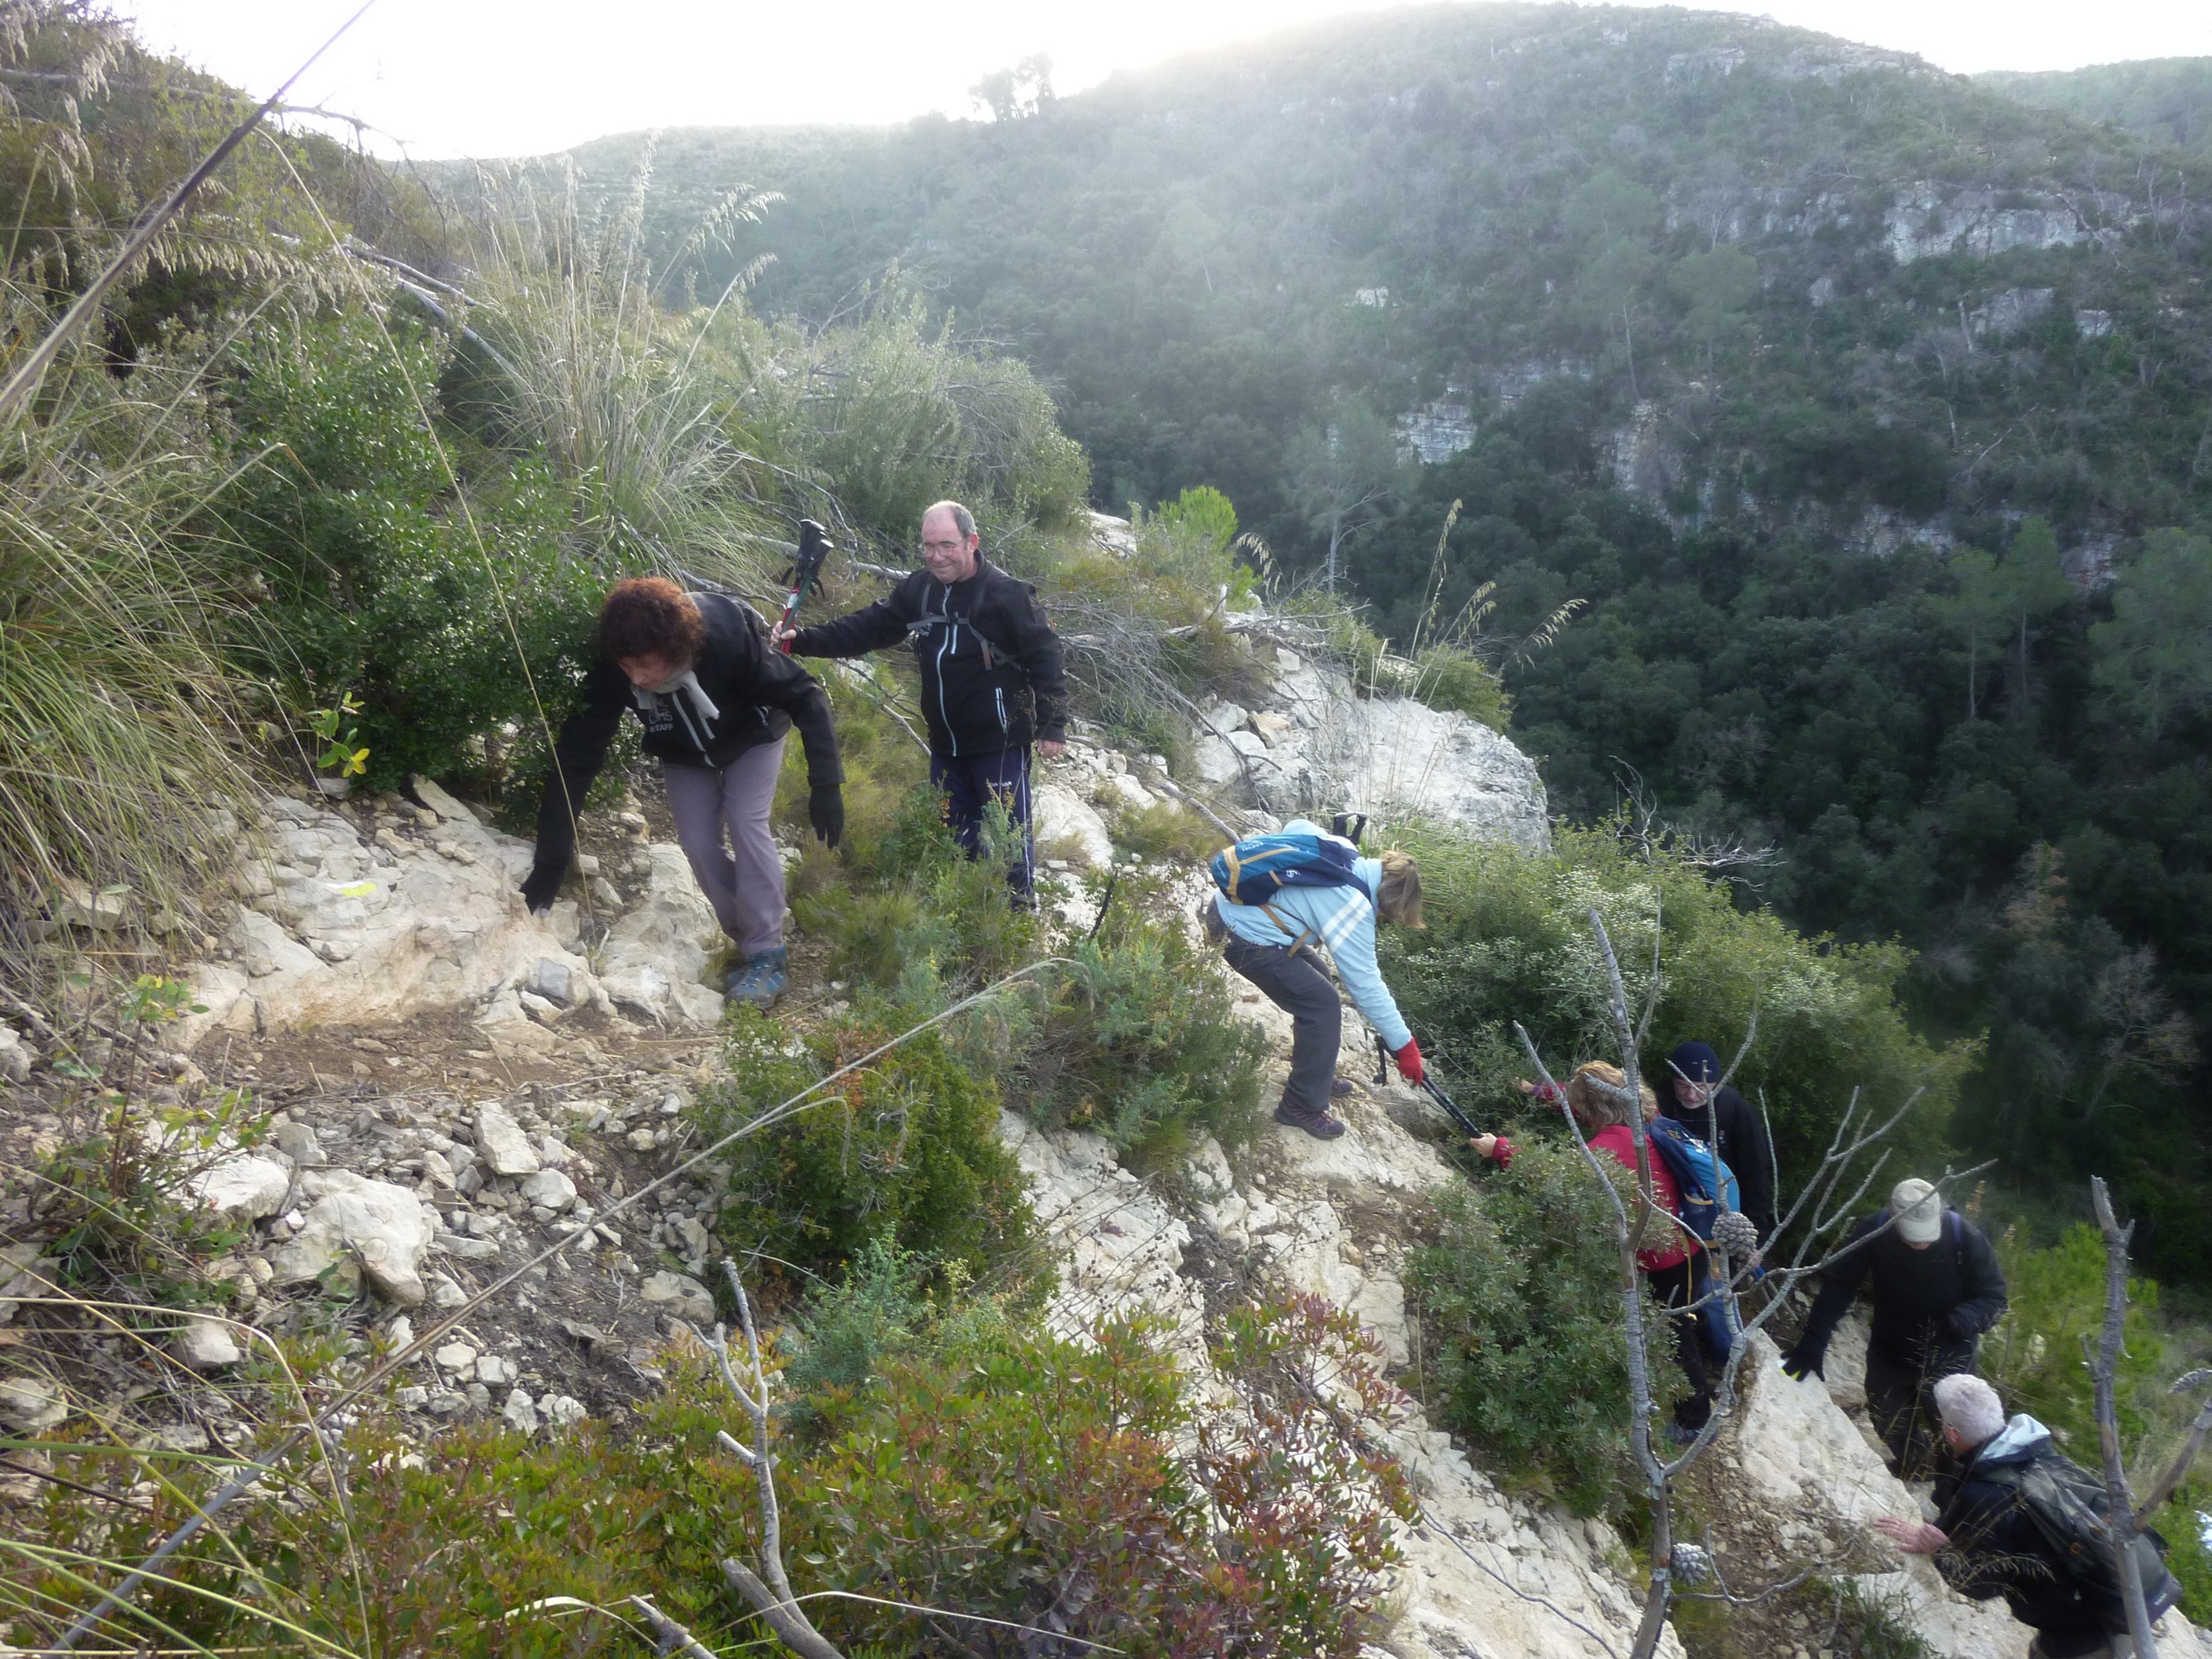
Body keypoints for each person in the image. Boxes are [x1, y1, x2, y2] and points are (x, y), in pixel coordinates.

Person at [522, 577, 844, 1009]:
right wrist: (551, 862)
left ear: (676, 650)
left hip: (754, 735)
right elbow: (577, 755)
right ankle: (746, 939)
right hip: (683, 750)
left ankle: (766, 953)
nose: (637, 678)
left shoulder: (726, 641)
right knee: (696, 842)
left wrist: (826, 784)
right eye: (627, 666)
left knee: (746, 821)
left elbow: (806, 695)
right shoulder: (618, 666)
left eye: (646, 665)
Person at [773, 499, 1066, 900]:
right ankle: (969, 908)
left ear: (971, 542)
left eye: (946, 545)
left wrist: (1052, 723)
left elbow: (1046, 656)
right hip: (945, 744)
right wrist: (804, 640)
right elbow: (869, 627)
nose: (936, 556)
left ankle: (1018, 913)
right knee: (953, 837)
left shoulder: (1008, 595)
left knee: (1009, 839)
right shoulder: (920, 589)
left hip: (999, 744)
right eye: (928, 546)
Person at [1473, 1061, 1718, 1437]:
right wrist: (1536, 1089)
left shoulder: (1609, 1146)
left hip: (1670, 1260)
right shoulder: (1646, 1121)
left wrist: (1500, 1149)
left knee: (1677, 1335)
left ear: (1593, 1108)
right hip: (1687, 1247)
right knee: (1681, 1323)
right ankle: (1699, 1384)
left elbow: (1558, 1174)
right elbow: (1577, 1100)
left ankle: (1696, 1421)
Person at [1875, 1373, 2181, 1658]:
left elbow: (1980, 1585)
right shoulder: (2043, 1454)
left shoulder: (1985, 1494)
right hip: (2124, 1601)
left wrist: (1939, 1550)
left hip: (2082, 1637)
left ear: (1952, 1434)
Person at [1779, 1177, 2008, 1493]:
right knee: (1888, 1422)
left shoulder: (1964, 1237)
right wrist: (1812, 1343)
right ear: (1893, 1217)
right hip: (1890, 1352)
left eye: (1927, 1235)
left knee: (1955, 1436)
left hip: (1950, 1356)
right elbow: (1838, 1288)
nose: (1921, 1243)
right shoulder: (1873, 1232)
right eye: (1913, 1235)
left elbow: (1995, 1297)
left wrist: (1964, 1319)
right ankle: (1917, 1466)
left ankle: (1954, 1494)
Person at [1208, 820, 1425, 1141]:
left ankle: (1314, 1076)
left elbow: (1297, 825)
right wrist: (1405, 1046)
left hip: (1228, 909)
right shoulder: (1352, 906)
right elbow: (1366, 986)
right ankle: (1300, 1105)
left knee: (1320, 978)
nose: (1383, 918)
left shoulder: (1343, 851)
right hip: (1240, 937)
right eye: (1388, 914)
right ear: (1388, 901)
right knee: (1322, 1005)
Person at [1657, 1040, 1776, 1244]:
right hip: (1672, 1211)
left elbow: (1755, 1172)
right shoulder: (1660, 1102)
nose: (1691, 1096)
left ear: (1716, 1084)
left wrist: (1755, 1234)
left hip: (1725, 1211)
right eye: (1683, 1086)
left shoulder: (1734, 1109)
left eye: (1701, 1087)